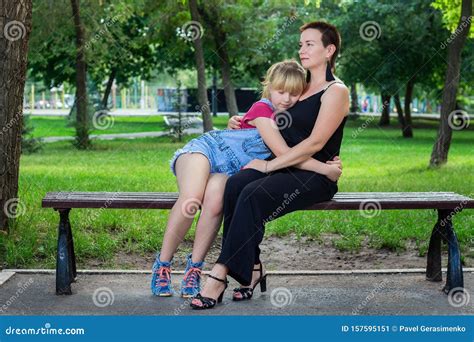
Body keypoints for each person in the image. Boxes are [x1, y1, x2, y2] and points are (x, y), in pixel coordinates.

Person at [191, 21, 349, 310]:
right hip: (284, 166)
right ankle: (252, 267)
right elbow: (268, 111)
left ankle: (219, 275)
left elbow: (315, 142)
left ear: (329, 50)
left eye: (309, 44)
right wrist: (239, 123)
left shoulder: (335, 91)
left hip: (315, 175)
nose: (302, 49)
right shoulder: (300, 86)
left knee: (253, 194)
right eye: (301, 44)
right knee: (236, 184)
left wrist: (268, 167)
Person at [151, 60, 342, 298]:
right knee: (191, 198)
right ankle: (163, 265)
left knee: (215, 203)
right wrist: (325, 169)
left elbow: (302, 145)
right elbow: (285, 154)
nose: (286, 98)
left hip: (230, 170)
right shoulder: (263, 110)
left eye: (294, 93)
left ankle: (194, 269)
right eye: (280, 91)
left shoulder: (288, 119)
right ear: (269, 88)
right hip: (205, 151)